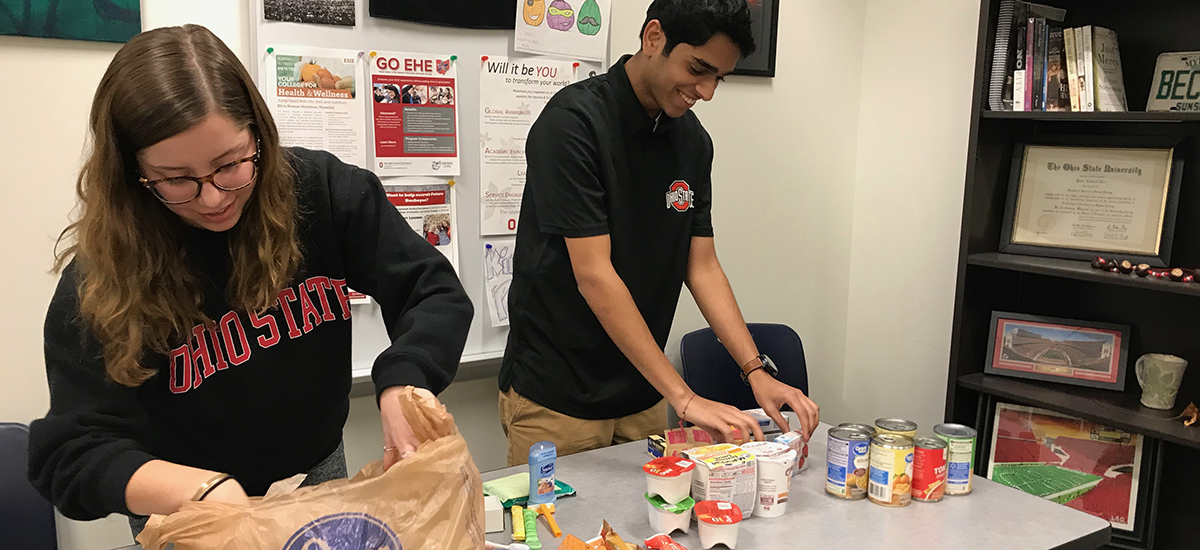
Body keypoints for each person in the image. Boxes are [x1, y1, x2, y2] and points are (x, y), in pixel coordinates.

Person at [26, 24, 473, 539]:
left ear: (259, 134)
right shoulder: (104, 274)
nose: (213, 198)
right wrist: (198, 491)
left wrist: (405, 378)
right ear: (133, 173)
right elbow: (68, 452)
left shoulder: (323, 192)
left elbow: (432, 290)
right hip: (188, 506)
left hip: (317, 475)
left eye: (231, 164)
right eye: (176, 179)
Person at [499, 0, 819, 466]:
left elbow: (702, 266)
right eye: (698, 69)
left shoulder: (693, 142)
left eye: (718, 78)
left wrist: (755, 371)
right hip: (558, 398)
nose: (706, 91)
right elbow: (595, 275)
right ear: (654, 38)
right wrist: (685, 399)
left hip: (643, 392)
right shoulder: (573, 124)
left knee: (652, 532)